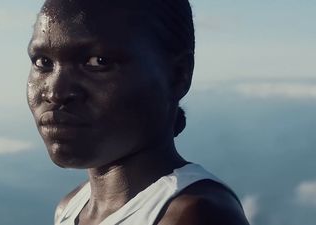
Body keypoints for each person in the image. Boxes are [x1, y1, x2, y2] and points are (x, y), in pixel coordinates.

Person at [27, 0, 250, 224]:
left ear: (177, 75)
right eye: (43, 62)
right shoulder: (71, 207)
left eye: (98, 61)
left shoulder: (192, 215)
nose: (56, 92)